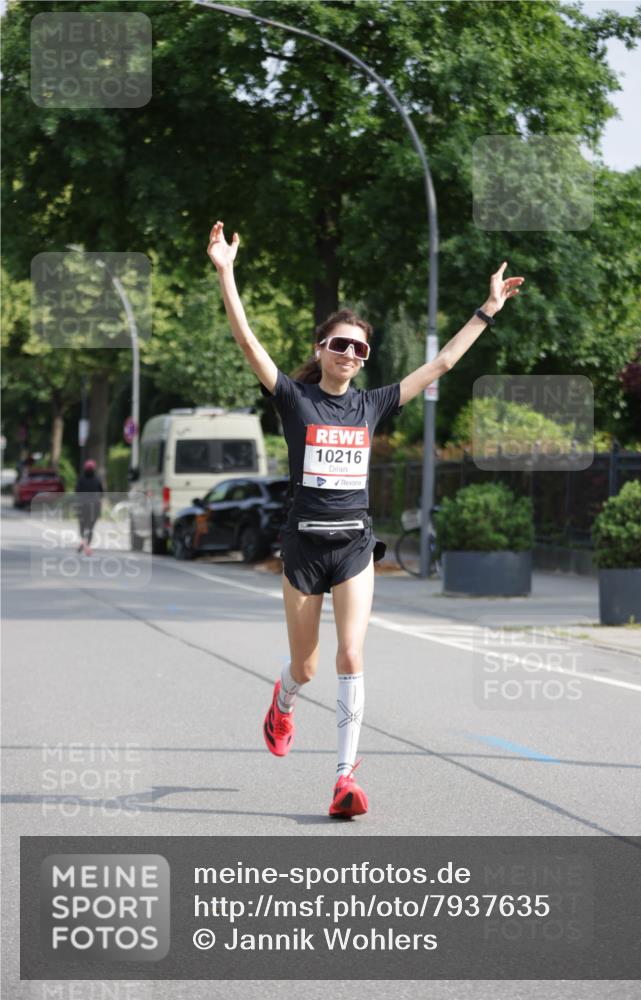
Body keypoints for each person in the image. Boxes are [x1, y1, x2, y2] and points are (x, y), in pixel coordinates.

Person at [207, 219, 524, 818]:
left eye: (359, 348)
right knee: (306, 664)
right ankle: (284, 699)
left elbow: (443, 366)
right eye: (339, 344)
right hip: (303, 548)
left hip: (354, 546)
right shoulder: (293, 399)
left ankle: (344, 779)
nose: (349, 354)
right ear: (320, 350)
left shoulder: (372, 403)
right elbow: (248, 343)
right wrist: (227, 272)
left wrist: (486, 310)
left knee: (351, 656)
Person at [75, 459, 104, 556]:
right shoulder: (97, 480)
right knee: (91, 527)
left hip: (82, 506)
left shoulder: (81, 480)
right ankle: (87, 545)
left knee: (82, 526)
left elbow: (77, 492)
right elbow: (101, 493)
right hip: (94, 507)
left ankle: (83, 542)